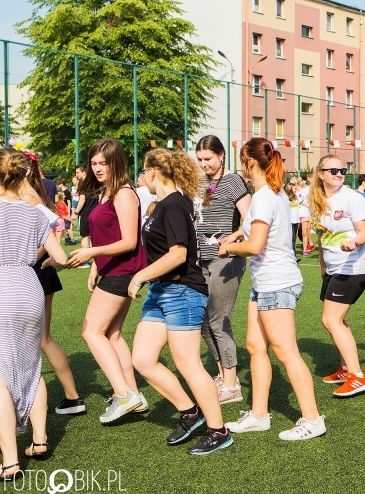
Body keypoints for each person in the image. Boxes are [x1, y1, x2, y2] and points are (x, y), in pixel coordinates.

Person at [220, 138, 326, 440]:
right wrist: (235, 235)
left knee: (286, 352)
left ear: (249, 162)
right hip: (264, 282)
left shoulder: (266, 196)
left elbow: (256, 245)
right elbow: (255, 228)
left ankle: (312, 419)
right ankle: (259, 415)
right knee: (255, 346)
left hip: (276, 282)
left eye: (241, 160)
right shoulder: (269, 193)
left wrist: (230, 249)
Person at [130, 148, 232, 455]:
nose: (142, 177)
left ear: (154, 172)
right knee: (143, 360)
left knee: (188, 364)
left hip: (182, 292)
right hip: (161, 291)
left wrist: (139, 276)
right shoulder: (165, 204)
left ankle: (219, 431)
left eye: (143, 171)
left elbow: (178, 254)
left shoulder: (173, 205)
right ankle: (190, 411)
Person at [65, 140, 148, 424]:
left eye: (104, 163)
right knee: (112, 334)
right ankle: (133, 394)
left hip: (123, 271)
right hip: (112, 270)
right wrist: (95, 266)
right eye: (94, 163)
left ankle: (124, 395)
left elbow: (129, 241)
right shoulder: (105, 192)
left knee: (91, 331)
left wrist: (91, 253)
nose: (98, 168)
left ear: (116, 163)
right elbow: (107, 235)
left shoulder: (123, 193)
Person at [0, 148, 69, 479]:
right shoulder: (35, 212)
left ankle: (10, 460)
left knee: (1, 373)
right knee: (32, 365)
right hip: (30, 287)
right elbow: (61, 257)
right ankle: (39, 440)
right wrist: (35, 256)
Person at [19, 153, 84, 417]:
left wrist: (23, 259)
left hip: (34, 272)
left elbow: (52, 230)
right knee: (40, 340)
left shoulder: (28, 197)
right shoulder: (28, 195)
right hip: (32, 272)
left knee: (40, 340)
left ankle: (68, 397)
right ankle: (70, 397)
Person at [309, 156, 365, 397]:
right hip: (334, 269)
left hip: (352, 269)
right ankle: (346, 369)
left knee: (331, 320)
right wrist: (323, 265)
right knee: (336, 321)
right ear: (321, 173)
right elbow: (321, 238)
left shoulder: (352, 198)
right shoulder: (317, 200)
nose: (339, 174)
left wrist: (353, 243)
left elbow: (364, 233)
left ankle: (357, 376)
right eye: (333, 170)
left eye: (342, 170)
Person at [194, 135, 250, 405]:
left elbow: (250, 220)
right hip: (200, 260)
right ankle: (222, 375)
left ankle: (231, 384)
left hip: (226, 260)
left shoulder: (234, 181)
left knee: (219, 320)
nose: (204, 164)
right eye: (200, 159)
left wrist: (232, 239)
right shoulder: (199, 182)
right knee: (204, 322)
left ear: (221, 155)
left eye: (208, 158)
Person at [72, 164, 98, 267]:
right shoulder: (96, 182)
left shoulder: (83, 184)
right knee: (94, 237)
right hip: (95, 213)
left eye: (78, 172)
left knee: (84, 237)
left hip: (85, 214)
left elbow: (82, 200)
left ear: (84, 172)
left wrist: (75, 212)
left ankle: (85, 261)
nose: (76, 174)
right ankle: (97, 261)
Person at [296, 176, 314, 256]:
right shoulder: (295, 190)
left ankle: (305, 250)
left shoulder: (307, 189)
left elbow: (313, 186)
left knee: (304, 232)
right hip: (295, 214)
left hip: (305, 214)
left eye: (301, 180)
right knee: (295, 233)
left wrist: (311, 179)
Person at [285, 182, 301, 261]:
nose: (296, 190)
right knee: (292, 239)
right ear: (290, 189)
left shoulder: (297, 197)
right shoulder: (286, 198)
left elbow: (304, 202)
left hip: (296, 221)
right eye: (294, 188)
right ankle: (293, 256)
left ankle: (292, 255)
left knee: (294, 239)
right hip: (289, 221)